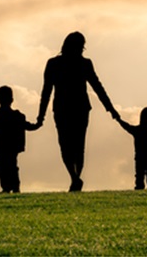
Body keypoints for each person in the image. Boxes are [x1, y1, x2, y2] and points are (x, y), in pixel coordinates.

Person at [35, 31, 117, 192]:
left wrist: (41, 116)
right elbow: (98, 87)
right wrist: (111, 109)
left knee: (67, 145)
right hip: (77, 108)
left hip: (65, 108)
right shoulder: (81, 63)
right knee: (77, 146)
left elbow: (46, 91)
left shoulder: (56, 63)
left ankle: (74, 178)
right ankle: (75, 178)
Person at [0, 86, 41, 193]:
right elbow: (28, 126)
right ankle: (12, 187)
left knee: (3, 166)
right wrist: (38, 124)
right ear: (12, 99)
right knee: (10, 166)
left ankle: (8, 187)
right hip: (11, 146)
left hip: (3, 147)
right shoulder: (17, 116)